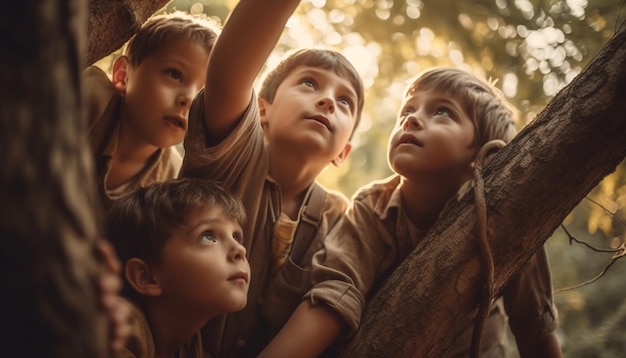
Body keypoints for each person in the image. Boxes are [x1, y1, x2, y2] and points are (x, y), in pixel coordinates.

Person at [261, 67, 563, 357]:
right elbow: (335, 292)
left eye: (442, 112)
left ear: (483, 155)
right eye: (407, 110)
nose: (412, 119)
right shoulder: (372, 209)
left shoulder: (506, 214)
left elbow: (534, 326)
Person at [178, 0, 365, 356]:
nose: (327, 100)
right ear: (262, 109)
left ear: (343, 152)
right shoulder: (232, 157)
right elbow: (228, 71)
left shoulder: (340, 220)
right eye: (310, 83)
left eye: (345, 102)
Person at [83, 11, 220, 212]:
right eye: (175, 74)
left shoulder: (171, 178)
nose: (189, 99)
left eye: (204, 94)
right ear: (123, 75)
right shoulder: (91, 100)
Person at [106, 177, 250, 358]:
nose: (240, 249)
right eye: (207, 236)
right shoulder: (115, 331)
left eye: (237, 237)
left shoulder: (190, 348)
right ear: (146, 277)